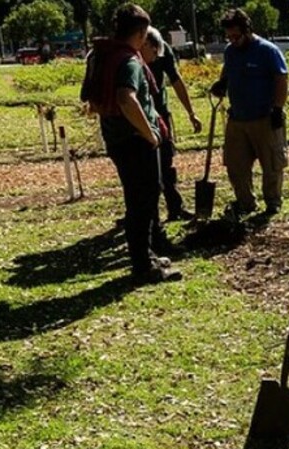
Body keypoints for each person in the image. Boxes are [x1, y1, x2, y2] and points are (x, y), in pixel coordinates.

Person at [80, 3, 181, 283]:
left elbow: (93, 101)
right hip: (136, 143)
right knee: (143, 204)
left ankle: (145, 255)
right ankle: (142, 266)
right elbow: (127, 99)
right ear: (139, 32)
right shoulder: (129, 60)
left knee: (137, 200)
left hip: (116, 140)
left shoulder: (102, 56)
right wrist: (150, 133)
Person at [210, 8, 288, 217]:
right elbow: (228, 71)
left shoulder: (267, 50)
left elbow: (282, 79)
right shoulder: (230, 51)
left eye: (236, 36)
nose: (233, 40)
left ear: (247, 30)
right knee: (235, 165)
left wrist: (278, 108)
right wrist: (222, 84)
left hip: (264, 117)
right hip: (237, 118)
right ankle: (245, 203)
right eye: (229, 36)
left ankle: (272, 202)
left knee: (272, 164)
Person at [142, 27, 202, 223]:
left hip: (160, 114)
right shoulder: (129, 54)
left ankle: (174, 207)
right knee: (144, 168)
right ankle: (145, 215)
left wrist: (191, 112)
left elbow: (175, 80)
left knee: (166, 161)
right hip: (138, 116)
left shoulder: (162, 48)